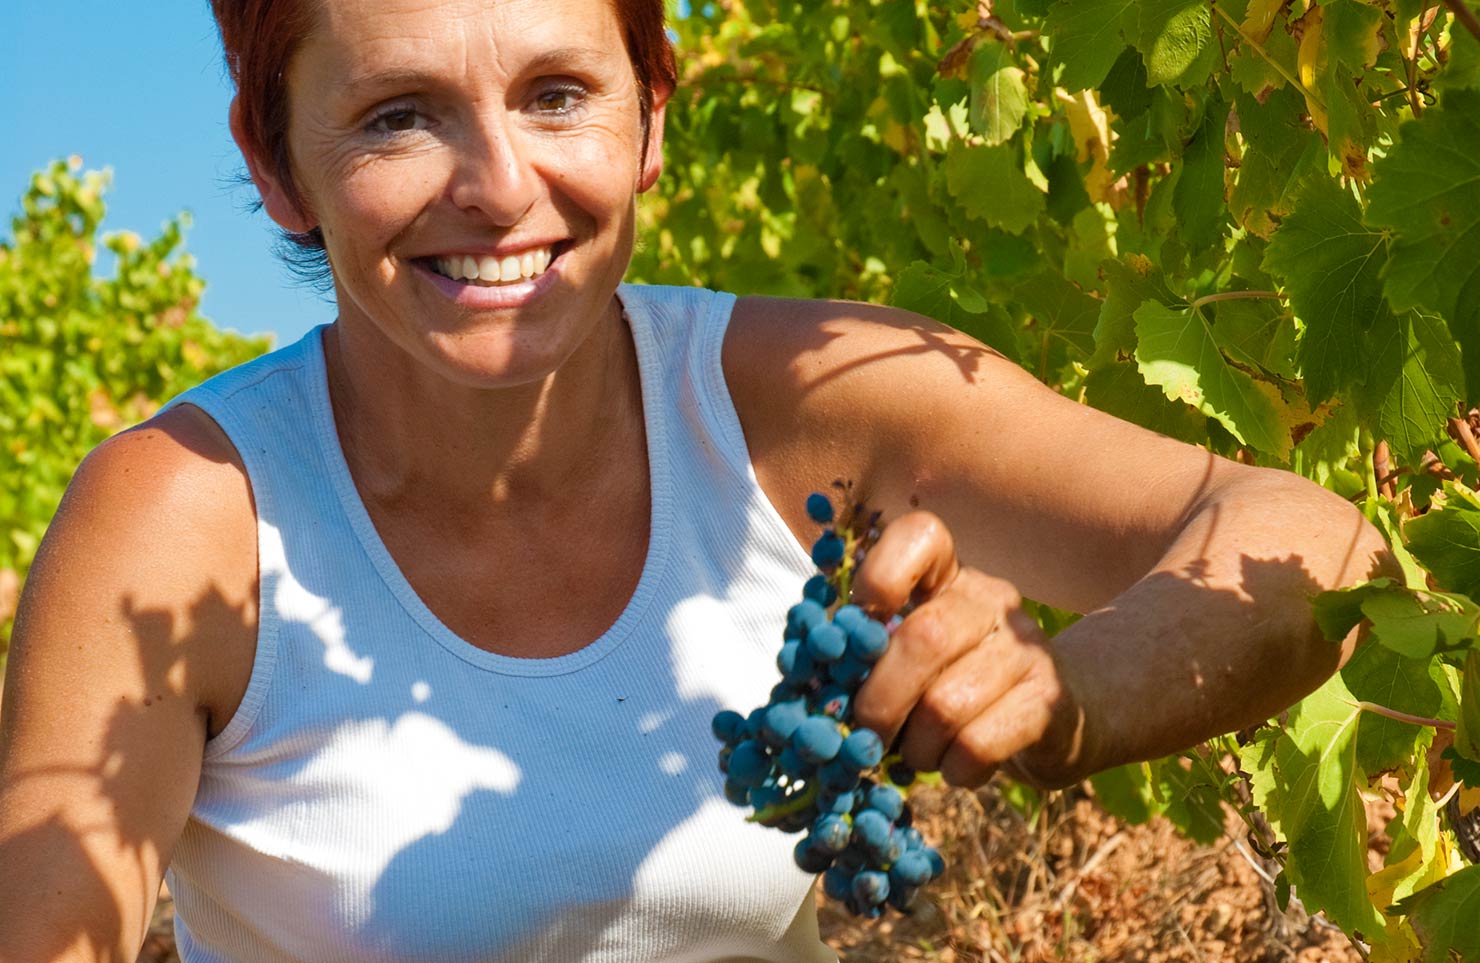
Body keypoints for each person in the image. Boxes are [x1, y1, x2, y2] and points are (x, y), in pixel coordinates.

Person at [0, 0, 1392, 959]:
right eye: (397, 117)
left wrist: (1077, 695)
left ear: (652, 117)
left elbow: (1310, 537)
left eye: (558, 95)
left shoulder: (802, 404)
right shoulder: (187, 521)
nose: (497, 184)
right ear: (276, 160)